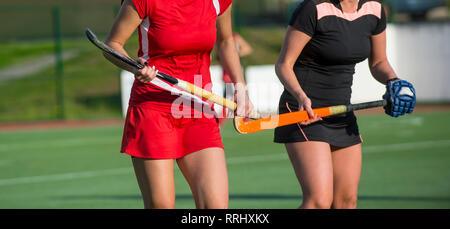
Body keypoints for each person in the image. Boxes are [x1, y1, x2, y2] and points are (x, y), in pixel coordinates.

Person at [104, 0, 254, 209]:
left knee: (215, 206)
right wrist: (135, 66)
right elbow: (112, 45)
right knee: (161, 205)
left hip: (198, 109)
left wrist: (240, 88)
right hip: (154, 107)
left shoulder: (218, 2)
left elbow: (226, 42)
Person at [274, 0, 416, 209]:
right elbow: (284, 64)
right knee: (319, 202)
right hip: (303, 111)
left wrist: (394, 81)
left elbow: (378, 62)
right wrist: (301, 97)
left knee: (346, 202)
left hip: (341, 113)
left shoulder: (375, 10)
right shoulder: (313, 9)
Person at [218, 32, 253, 125]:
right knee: (228, 101)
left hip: (235, 76)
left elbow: (247, 49)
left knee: (235, 100)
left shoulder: (234, 37)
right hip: (227, 76)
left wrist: (233, 55)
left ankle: (245, 121)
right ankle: (244, 120)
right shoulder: (218, 36)